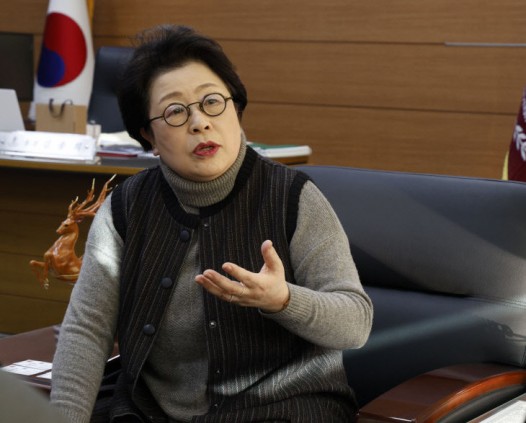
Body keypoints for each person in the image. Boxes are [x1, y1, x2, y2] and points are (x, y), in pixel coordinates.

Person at [50, 24, 373, 423]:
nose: (200, 122)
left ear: (236, 109)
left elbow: (355, 323)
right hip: (153, 413)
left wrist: (283, 300)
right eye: (175, 111)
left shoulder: (293, 197)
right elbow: (86, 330)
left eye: (212, 102)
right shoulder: (125, 208)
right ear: (148, 136)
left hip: (283, 411)